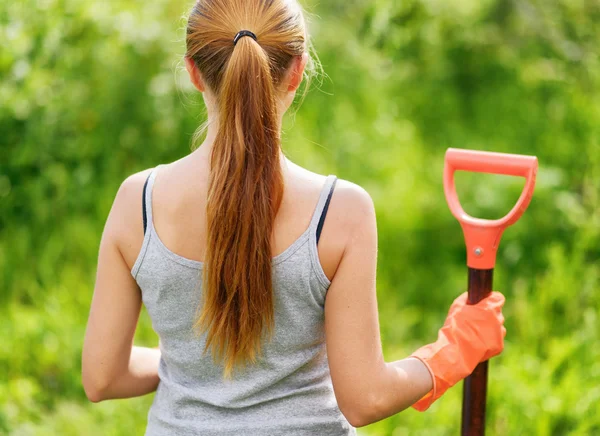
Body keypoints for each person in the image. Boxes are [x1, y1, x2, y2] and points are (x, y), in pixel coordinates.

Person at [82, 0, 506, 434]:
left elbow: (102, 377)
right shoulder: (340, 212)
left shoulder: (138, 202)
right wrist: (455, 349)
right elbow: (365, 398)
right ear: (298, 70)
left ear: (193, 72)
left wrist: (187, 364)